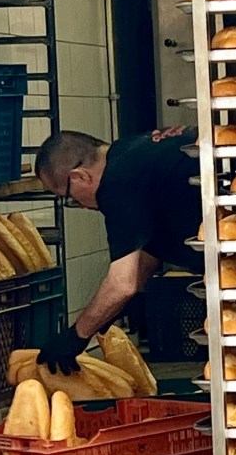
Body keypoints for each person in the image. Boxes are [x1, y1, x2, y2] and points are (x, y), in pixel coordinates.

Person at [34, 126, 201, 374]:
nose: (78, 205)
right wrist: (109, 311)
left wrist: (76, 335)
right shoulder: (130, 151)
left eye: (69, 197)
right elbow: (145, 253)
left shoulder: (116, 183)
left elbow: (123, 283)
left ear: (80, 176)